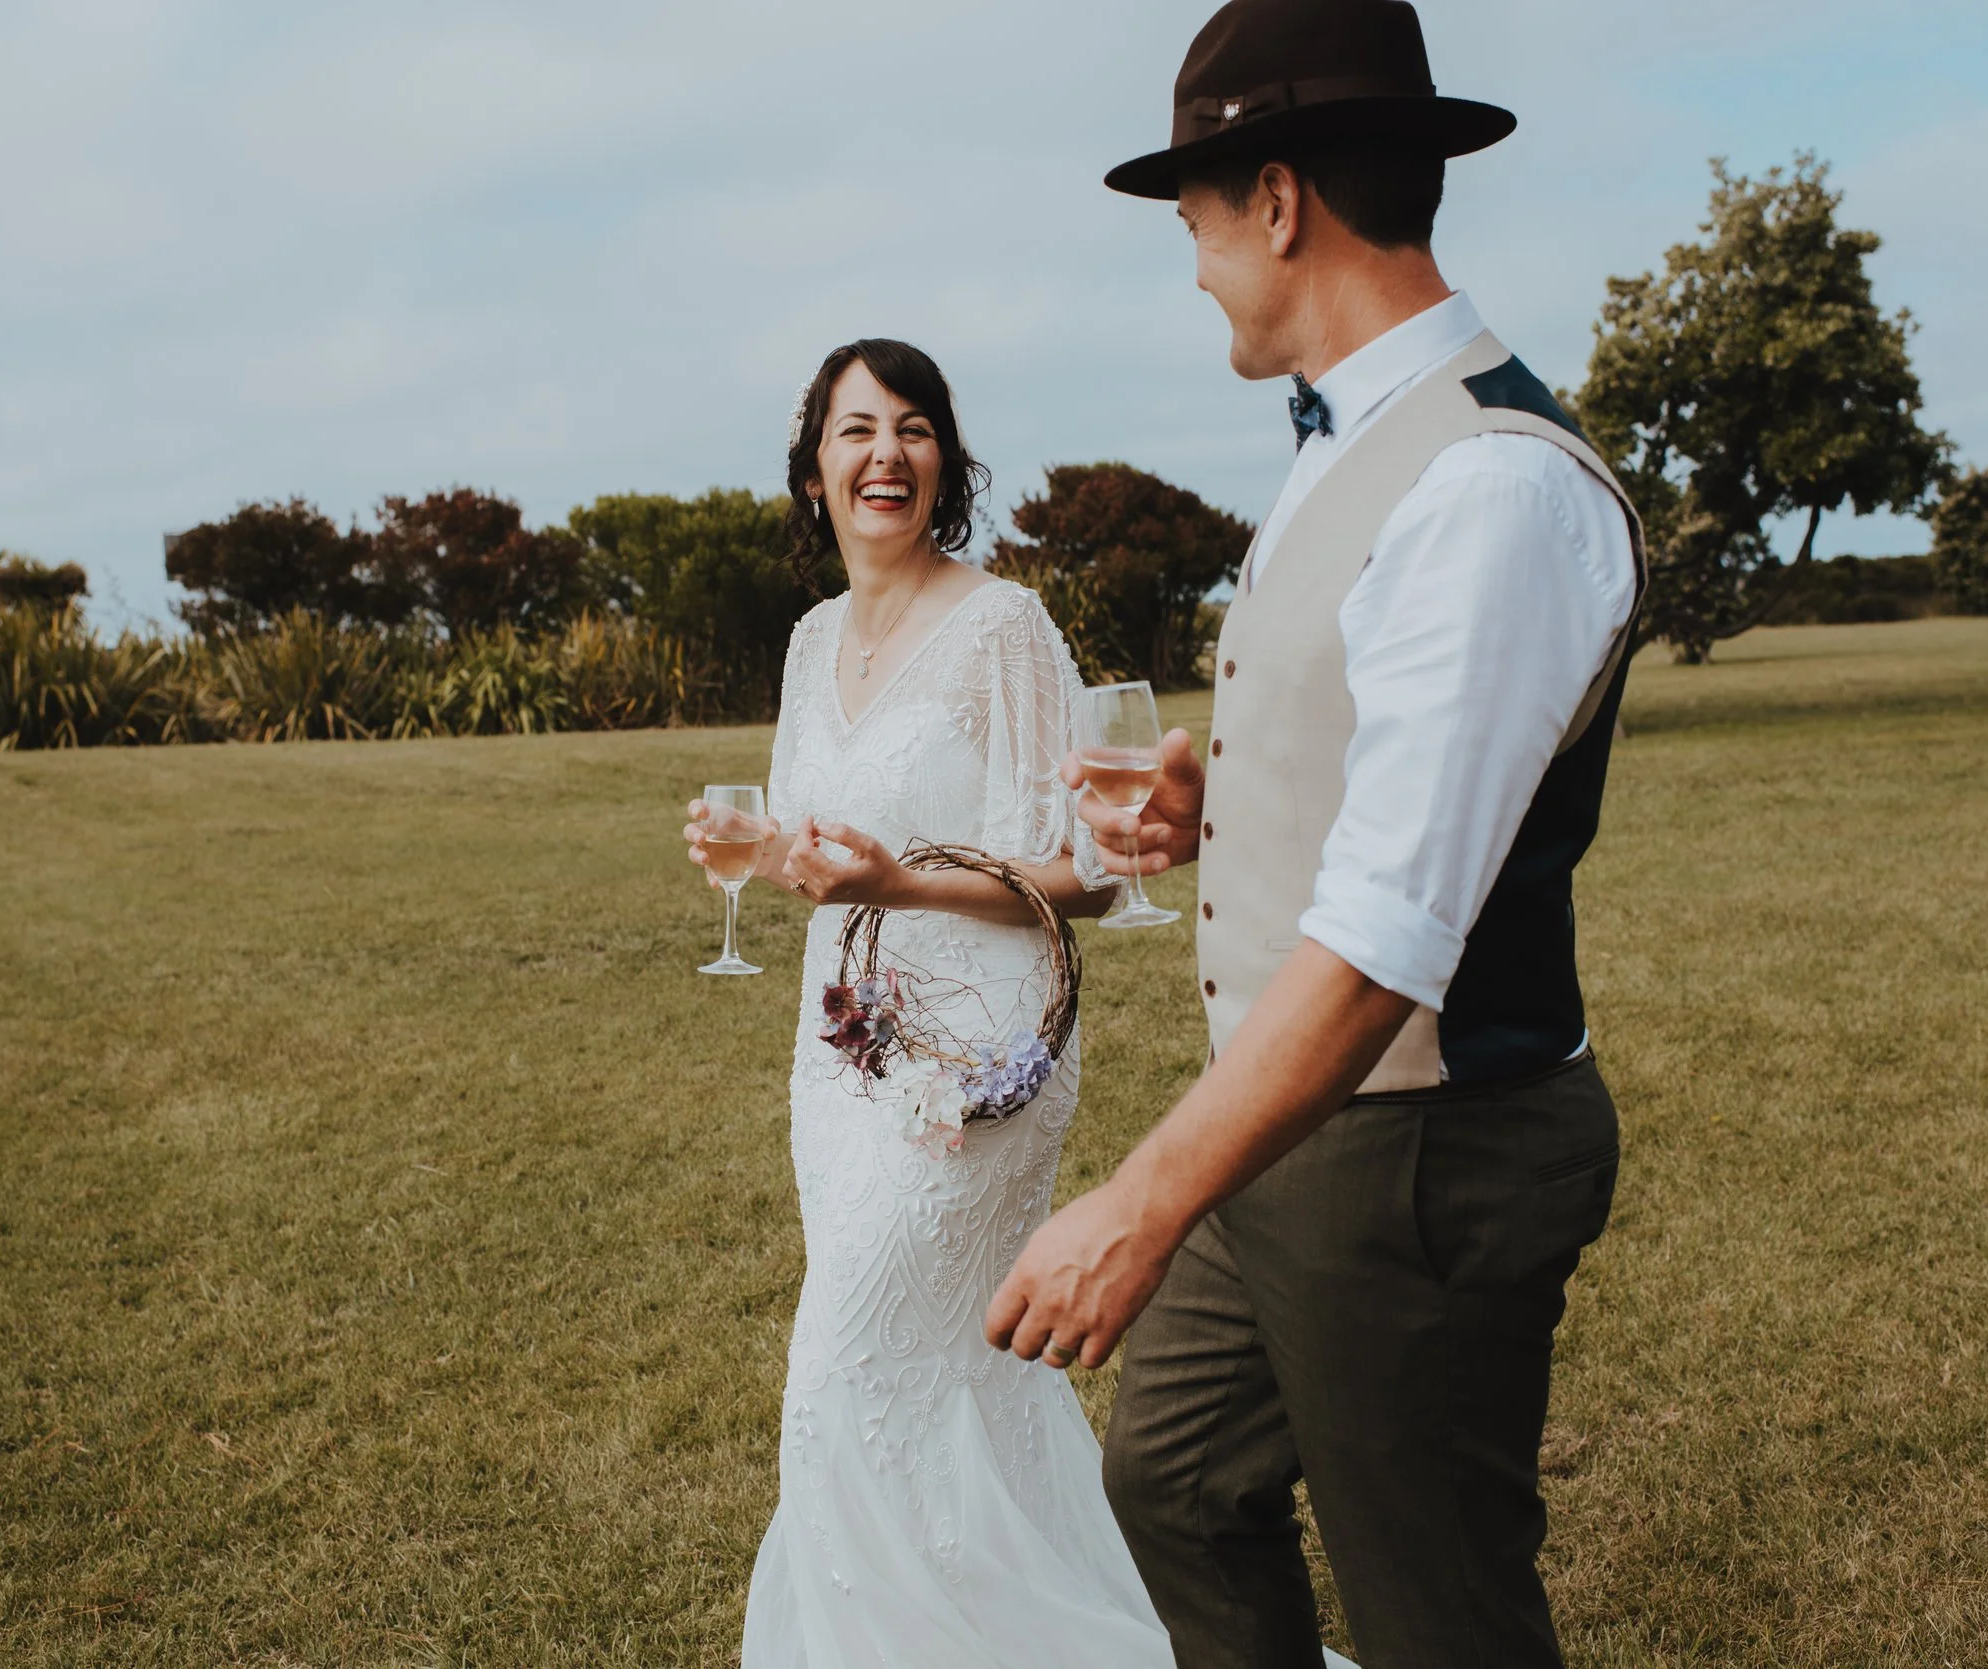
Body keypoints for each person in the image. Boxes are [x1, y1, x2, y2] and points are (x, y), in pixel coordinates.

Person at [985, 4, 1647, 1666]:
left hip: (1421, 1151)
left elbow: (1388, 945)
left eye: (1197, 222)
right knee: (1178, 1483)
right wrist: (1227, 808)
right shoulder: (1349, 445)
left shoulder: (1491, 491)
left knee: (1439, 1615)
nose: (1195, 263)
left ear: (1276, 202)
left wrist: (1133, 1208)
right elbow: (1402, 785)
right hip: (1290, 1127)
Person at [683, 340, 1232, 1666]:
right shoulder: (813, 639)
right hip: (841, 1052)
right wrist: (760, 854)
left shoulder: (1002, 625)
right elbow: (827, 849)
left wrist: (901, 882)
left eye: (915, 428)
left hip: (978, 1063)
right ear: (814, 469)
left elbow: (1086, 876)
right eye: (856, 430)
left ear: (947, 462)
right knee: (947, 1378)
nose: (887, 454)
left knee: (840, 1372)